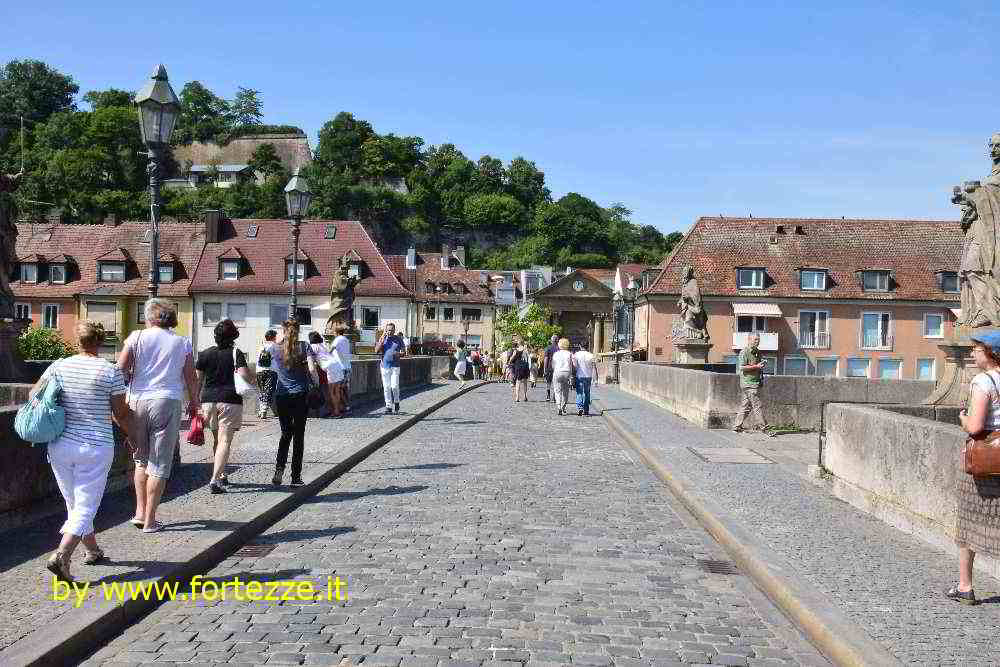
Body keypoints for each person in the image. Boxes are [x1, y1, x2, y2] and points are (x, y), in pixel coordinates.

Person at [38, 321, 135, 582]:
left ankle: (92, 550)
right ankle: (62, 555)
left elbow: (35, 395)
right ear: (100, 342)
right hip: (95, 446)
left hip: (60, 444)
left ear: (76, 340)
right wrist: (135, 437)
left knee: (75, 504)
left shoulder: (58, 366)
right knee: (86, 505)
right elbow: (121, 413)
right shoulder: (110, 370)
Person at [117, 299, 199, 533]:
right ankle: (151, 519)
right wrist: (195, 403)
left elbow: (120, 370)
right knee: (160, 463)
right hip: (167, 400)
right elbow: (191, 377)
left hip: (137, 401)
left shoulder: (136, 337)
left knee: (141, 459)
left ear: (150, 317)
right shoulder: (182, 342)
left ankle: (139, 513)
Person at [949, 330, 1000, 605]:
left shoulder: (984, 381)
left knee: (969, 524)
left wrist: (962, 418)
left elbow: (977, 426)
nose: (972, 353)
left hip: (985, 462)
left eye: (977, 349)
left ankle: (965, 586)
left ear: (990, 353)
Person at [196, 319, 254, 494]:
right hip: (229, 400)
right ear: (234, 336)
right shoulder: (236, 353)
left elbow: (197, 380)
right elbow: (244, 375)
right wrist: (252, 378)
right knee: (225, 441)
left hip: (208, 400)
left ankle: (221, 475)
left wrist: (195, 402)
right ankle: (215, 480)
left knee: (216, 440)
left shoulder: (205, 354)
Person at [271, 319, 317, 486]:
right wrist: (316, 384)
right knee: (298, 436)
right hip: (300, 395)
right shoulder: (304, 347)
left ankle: (279, 470)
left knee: (285, 433)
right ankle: (295, 477)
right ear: (298, 330)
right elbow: (312, 369)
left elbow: (269, 369)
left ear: (283, 330)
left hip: (281, 396)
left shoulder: (275, 348)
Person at [732, 334, 769, 433]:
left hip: (754, 382)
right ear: (749, 340)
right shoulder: (744, 352)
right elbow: (742, 367)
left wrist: (761, 364)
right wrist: (756, 366)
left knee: (745, 406)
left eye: (759, 340)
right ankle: (764, 427)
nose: (757, 341)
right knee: (757, 405)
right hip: (748, 383)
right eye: (755, 339)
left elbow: (757, 365)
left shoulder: (757, 352)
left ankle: (736, 426)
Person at [308, 331, 343, 416]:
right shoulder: (323, 345)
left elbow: (311, 361)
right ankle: (338, 409)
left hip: (330, 367)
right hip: (337, 364)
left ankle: (336, 412)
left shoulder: (312, 347)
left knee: (331, 392)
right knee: (337, 390)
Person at [375, 323, 406, 415]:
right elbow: (376, 351)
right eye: (388, 330)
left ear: (394, 330)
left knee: (394, 386)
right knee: (386, 387)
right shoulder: (383, 339)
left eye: (391, 330)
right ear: (386, 330)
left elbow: (404, 352)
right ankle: (388, 406)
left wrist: (399, 354)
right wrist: (381, 340)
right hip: (385, 366)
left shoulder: (398, 339)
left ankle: (396, 402)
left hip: (395, 366)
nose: (390, 332)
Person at [256, 330, 278, 419]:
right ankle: (264, 409)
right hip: (271, 370)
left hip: (259, 371)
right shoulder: (274, 346)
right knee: (268, 391)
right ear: (273, 337)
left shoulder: (261, 346)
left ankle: (261, 410)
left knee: (262, 391)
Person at [331, 324, 353, 416]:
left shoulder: (337, 339)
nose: (332, 333)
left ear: (336, 332)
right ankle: (347, 406)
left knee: (338, 389)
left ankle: (344, 408)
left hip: (341, 368)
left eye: (333, 331)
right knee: (344, 388)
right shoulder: (346, 339)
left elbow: (331, 349)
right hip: (347, 367)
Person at [573, 341, 597, 416]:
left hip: (579, 375)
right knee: (587, 393)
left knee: (579, 392)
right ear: (587, 346)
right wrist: (596, 379)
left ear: (580, 346)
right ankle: (586, 410)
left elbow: (575, 366)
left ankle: (580, 407)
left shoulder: (576, 355)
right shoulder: (591, 355)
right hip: (588, 376)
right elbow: (594, 367)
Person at [551, 337, 574, 415]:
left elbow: (553, 365)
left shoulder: (556, 354)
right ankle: (563, 406)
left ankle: (559, 407)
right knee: (565, 391)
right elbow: (571, 365)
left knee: (557, 390)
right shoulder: (569, 353)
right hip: (566, 372)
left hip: (557, 372)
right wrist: (571, 375)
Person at [543, 334, 559, 402]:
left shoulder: (548, 348)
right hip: (557, 368)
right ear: (557, 340)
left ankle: (548, 395)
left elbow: (546, 359)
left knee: (548, 382)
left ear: (551, 340)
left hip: (549, 367)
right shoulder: (559, 348)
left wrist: (544, 369)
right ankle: (554, 396)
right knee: (555, 383)